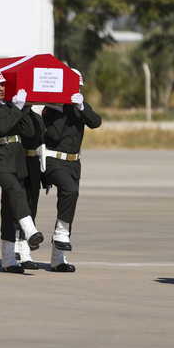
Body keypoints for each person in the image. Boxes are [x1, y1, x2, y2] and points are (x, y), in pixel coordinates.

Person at [0, 68, 44, 273]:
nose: (1, 88)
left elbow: (30, 132)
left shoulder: (10, 106)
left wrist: (24, 110)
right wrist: (16, 109)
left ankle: (8, 259)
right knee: (15, 190)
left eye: (2, 85)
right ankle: (30, 230)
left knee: (9, 209)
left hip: (16, 161)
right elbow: (2, 127)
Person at [41, 68, 102, 272]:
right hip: (54, 160)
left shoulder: (79, 107)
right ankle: (58, 235)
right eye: (72, 86)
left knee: (68, 205)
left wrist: (81, 106)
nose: (75, 90)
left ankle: (58, 259)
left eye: (78, 87)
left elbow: (96, 122)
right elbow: (54, 136)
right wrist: (61, 109)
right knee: (71, 190)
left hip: (74, 163)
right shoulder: (50, 108)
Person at [12, 107, 46, 270]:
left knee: (31, 209)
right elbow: (28, 132)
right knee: (16, 209)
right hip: (17, 164)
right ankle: (14, 249)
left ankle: (24, 251)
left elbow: (40, 140)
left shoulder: (36, 117)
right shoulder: (14, 113)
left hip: (33, 166)